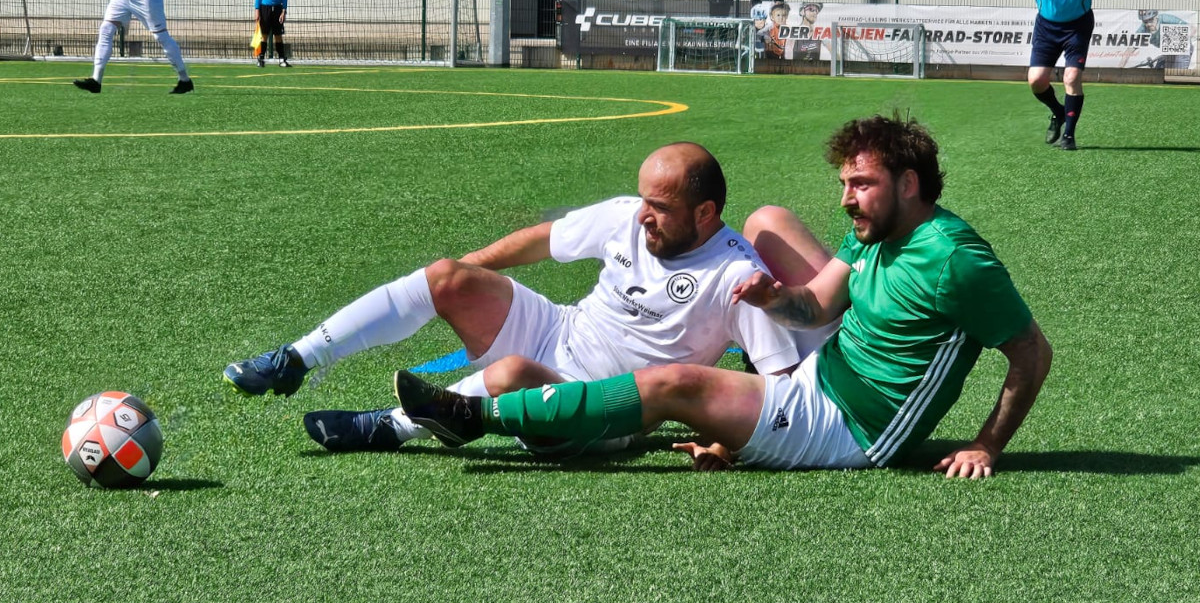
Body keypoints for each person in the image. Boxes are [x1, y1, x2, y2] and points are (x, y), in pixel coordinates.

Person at [396, 115, 1053, 479]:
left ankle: (479, 418)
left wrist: (987, 445)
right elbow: (818, 308)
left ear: (909, 184)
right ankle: (481, 414)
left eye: (860, 184)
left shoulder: (956, 260)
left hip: (854, 433)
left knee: (677, 383)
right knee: (686, 383)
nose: (845, 197)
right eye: (845, 183)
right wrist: (772, 298)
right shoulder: (872, 235)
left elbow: (1031, 354)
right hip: (817, 383)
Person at [224, 141, 838, 454]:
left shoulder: (736, 273)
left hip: (613, 401)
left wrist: (721, 440)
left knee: (513, 374)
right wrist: (460, 273)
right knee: (444, 277)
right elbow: (543, 240)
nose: (643, 218)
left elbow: (777, 380)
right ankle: (298, 358)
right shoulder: (628, 216)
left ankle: (390, 427)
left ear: (705, 214)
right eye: (643, 200)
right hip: (561, 328)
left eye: (662, 208)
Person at [1017, 0, 1102, 151]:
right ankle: (1058, 111)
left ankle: (1069, 136)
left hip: (1078, 24)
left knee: (1072, 77)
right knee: (1036, 81)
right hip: (1047, 25)